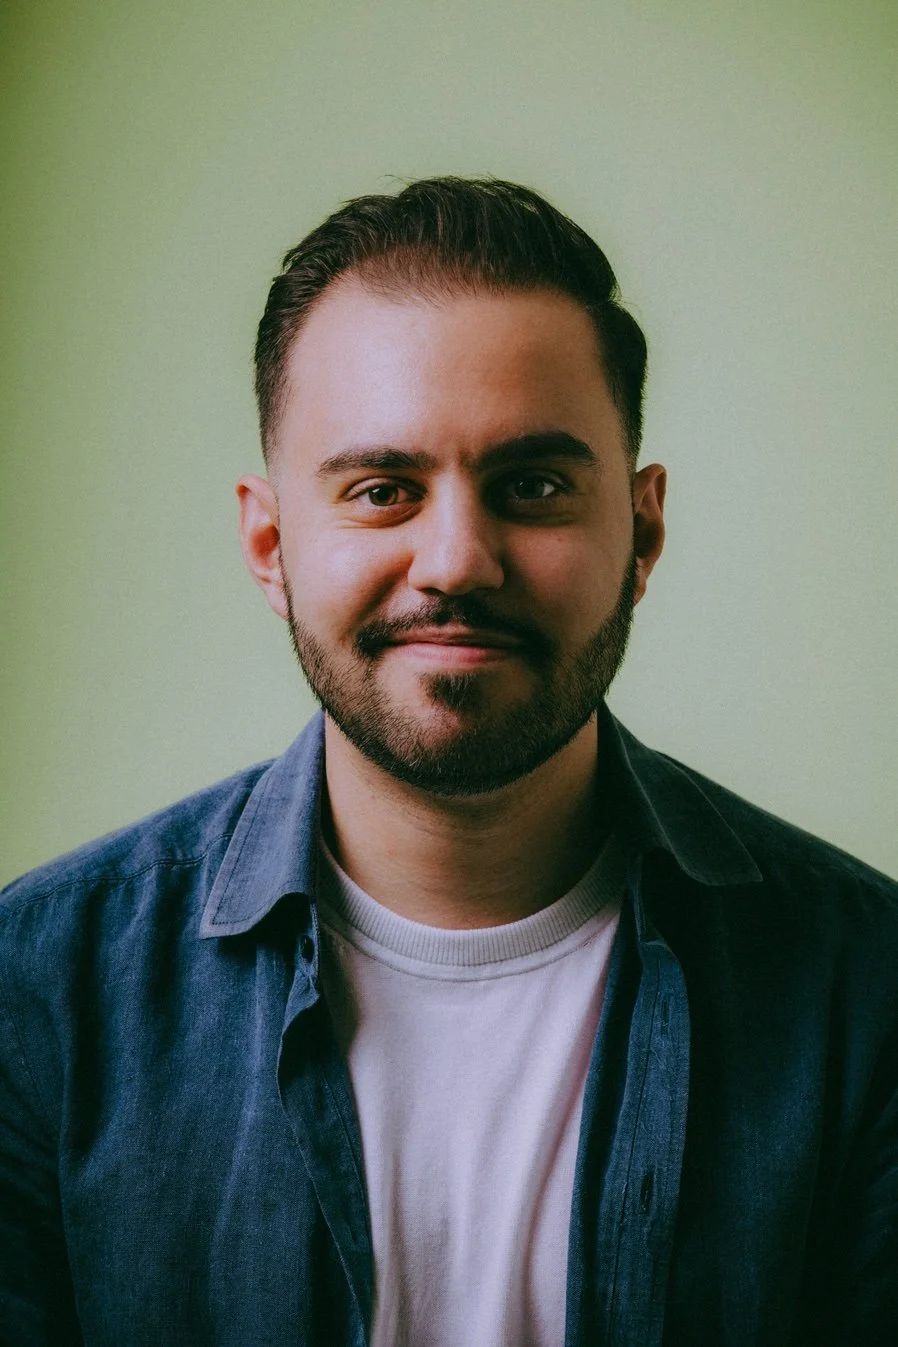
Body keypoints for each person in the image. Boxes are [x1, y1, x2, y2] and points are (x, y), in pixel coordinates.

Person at [0, 177, 895, 1347]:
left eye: (533, 487)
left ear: (642, 532)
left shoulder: (866, 992)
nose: (457, 561)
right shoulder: (38, 995)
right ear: (270, 544)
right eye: (382, 491)